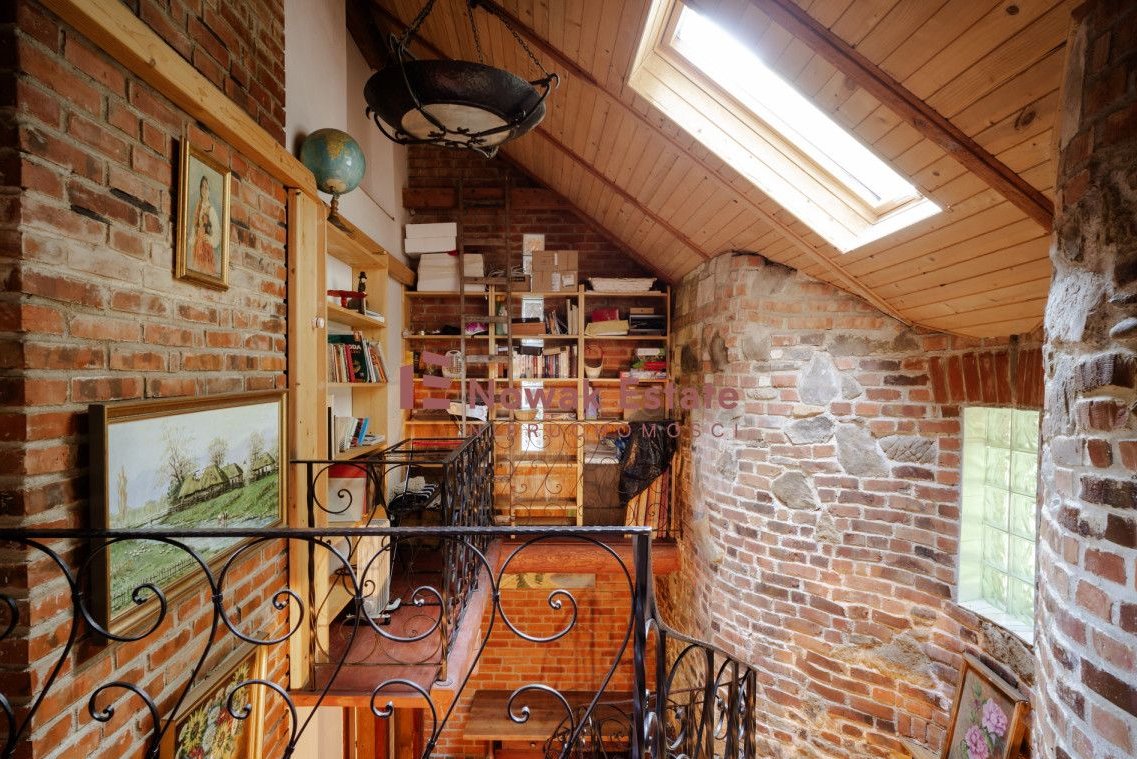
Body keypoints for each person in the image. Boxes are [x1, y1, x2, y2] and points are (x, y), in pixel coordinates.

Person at [189, 174, 221, 272]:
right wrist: (193, 242)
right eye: (202, 187)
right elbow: (194, 228)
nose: (204, 190)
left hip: (206, 248)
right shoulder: (197, 208)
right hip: (197, 247)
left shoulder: (211, 210)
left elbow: (217, 232)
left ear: (209, 191)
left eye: (206, 187)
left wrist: (210, 239)